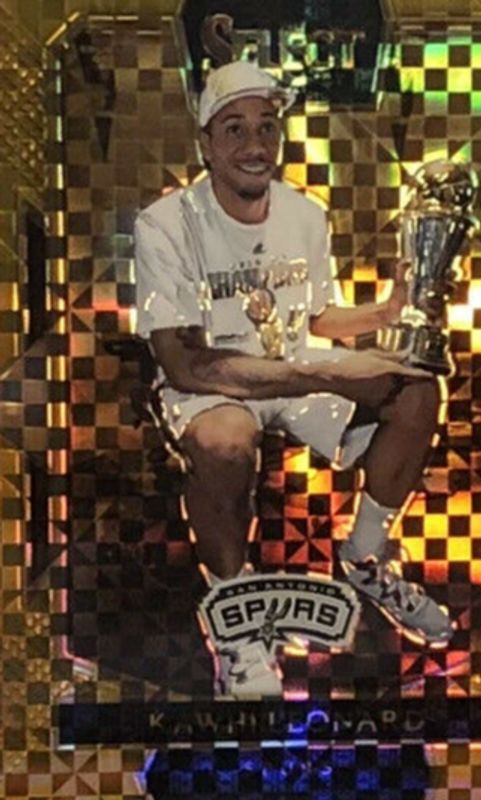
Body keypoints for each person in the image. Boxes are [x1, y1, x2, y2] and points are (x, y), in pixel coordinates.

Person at [134, 61, 454, 698]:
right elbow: (184, 364)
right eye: (235, 129)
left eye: (267, 127)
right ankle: (236, 623)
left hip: (292, 367)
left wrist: (384, 313)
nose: (255, 145)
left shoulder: (304, 214)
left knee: (416, 390)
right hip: (214, 384)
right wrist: (320, 370)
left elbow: (315, 317)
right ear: (206, 143)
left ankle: (365, 558)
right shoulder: (165, 224)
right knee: (224, 442)